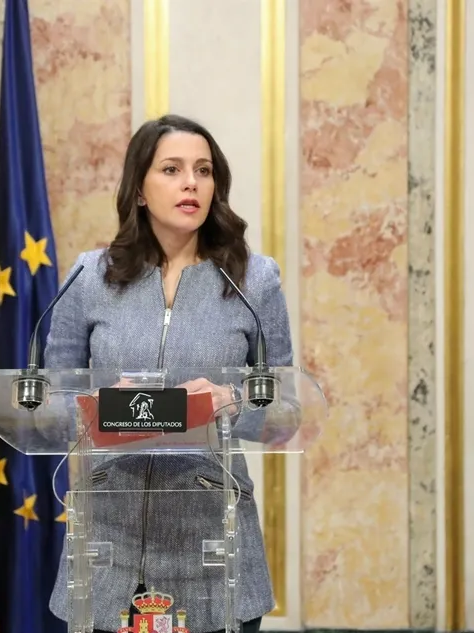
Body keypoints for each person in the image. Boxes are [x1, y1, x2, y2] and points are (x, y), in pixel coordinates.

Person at [45, 114, 293, 633]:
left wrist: (231, 399)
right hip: (110, 540)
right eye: (173, 169)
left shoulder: (254, 279)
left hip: (212, 543)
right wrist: (101, 403)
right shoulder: (90, 278)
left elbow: (284, 406)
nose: (191, 184)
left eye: (204, 171)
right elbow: (50, 398)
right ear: (139, 189)